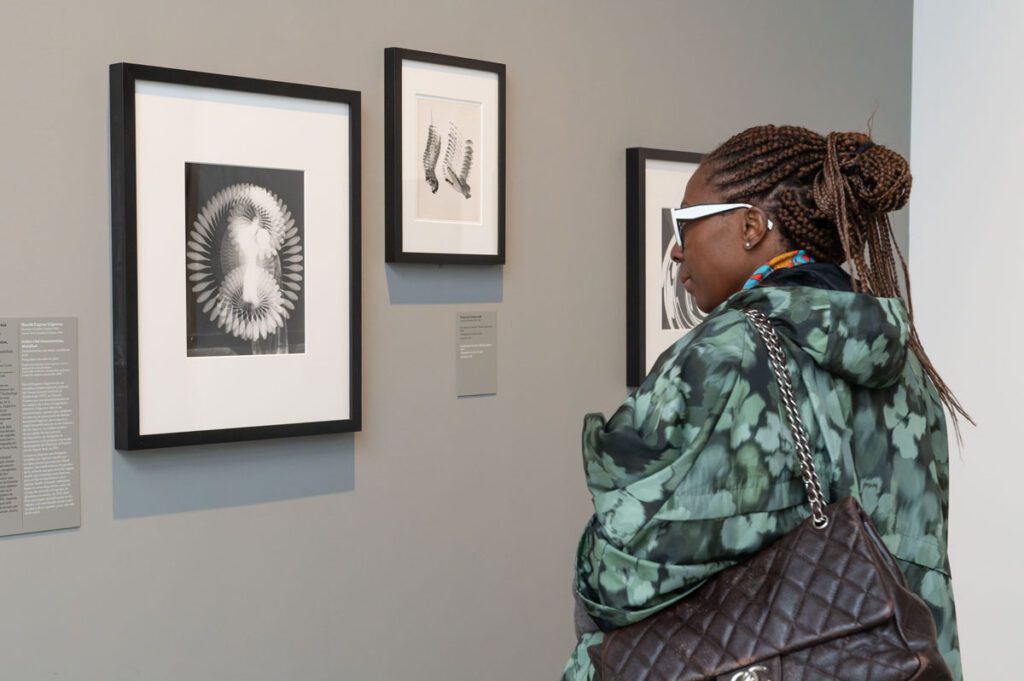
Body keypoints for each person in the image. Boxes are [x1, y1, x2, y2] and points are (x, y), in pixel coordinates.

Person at [562, 125, 970, 681]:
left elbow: (623, 577)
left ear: (751, 226)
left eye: (685, 223)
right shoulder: (908, 365)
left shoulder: (727, 355)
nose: (677, 248)